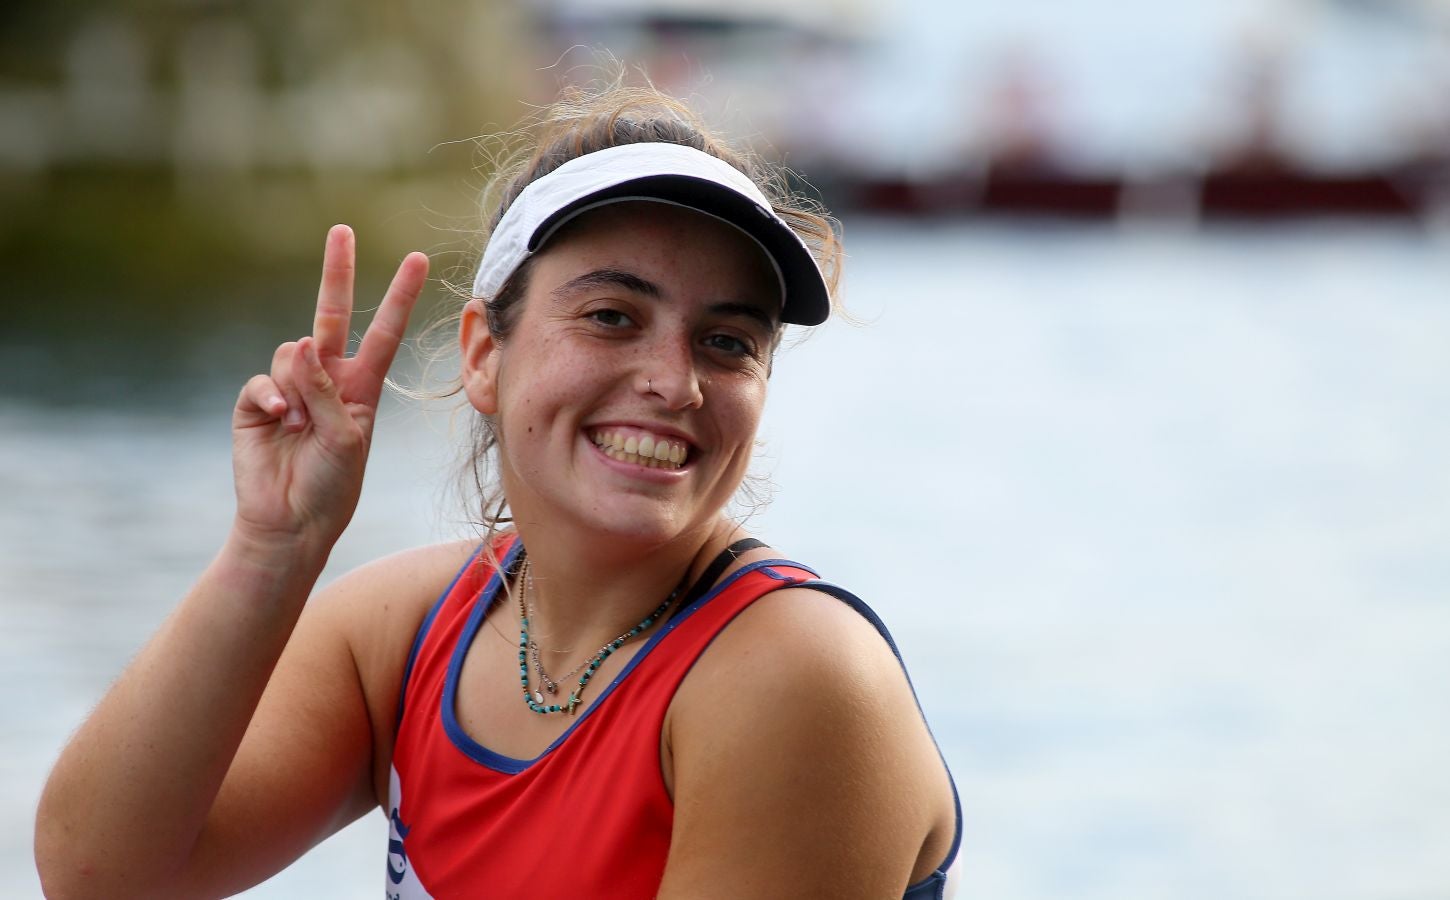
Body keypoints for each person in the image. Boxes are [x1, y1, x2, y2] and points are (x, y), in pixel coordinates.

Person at [35, 84, 961, 899]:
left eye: (727, 342)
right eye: (612, 317)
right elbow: (102, 874)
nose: (674, 383)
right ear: (484, 354)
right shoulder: (404, 632)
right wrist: (271, 549)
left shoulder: (798, 678)